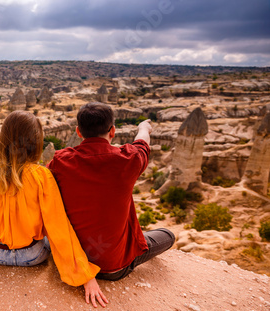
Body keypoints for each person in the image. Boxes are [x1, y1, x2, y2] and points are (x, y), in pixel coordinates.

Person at [0, 110, 108, 307]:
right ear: (36, 142)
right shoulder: (42, 176)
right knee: (49, 234)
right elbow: (59, 227)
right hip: (32, 256)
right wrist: (85, 275)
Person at [48, 102, 175, 281]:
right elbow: (142, 142)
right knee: (167, 236)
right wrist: (143, 127)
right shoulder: (128, 159)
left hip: (73, 261)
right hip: (113, 267)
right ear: (113, 131)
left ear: (78, 132)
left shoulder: (61, 161)